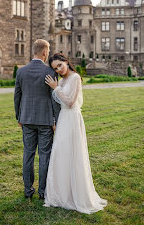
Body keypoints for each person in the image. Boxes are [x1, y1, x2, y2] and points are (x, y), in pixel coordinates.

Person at [44, 53, 107, 214]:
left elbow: (71, 102)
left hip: (72, 119)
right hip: (64, 119)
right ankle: (61, 193)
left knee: (73, 154)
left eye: (60, 65)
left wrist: (55, 88)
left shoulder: (75, 78)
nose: (58, 70)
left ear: (66, 61)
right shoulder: (63, 80)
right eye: (55, 68)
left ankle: (75, 194)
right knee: (61, 154)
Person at [14, 39, 60, 200]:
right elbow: (55, 99)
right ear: (44, 53)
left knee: (28, 154)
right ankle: (42, 191)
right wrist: (57, 120)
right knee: (45, 155)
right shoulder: (50, 72)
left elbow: (17, 97)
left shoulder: (21, 71)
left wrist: (18, 117)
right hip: (45, 120)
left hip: (26, 119)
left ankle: (28, 191)